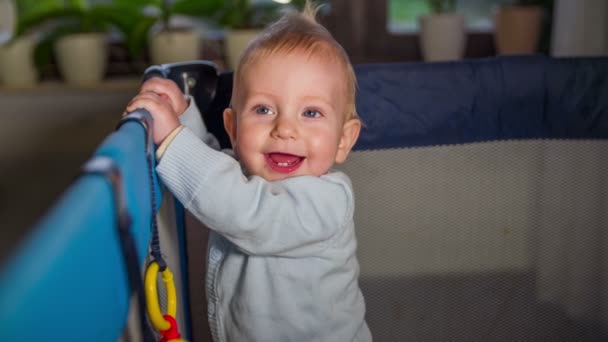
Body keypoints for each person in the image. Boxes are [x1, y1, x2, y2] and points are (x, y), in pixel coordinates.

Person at [126, 2, 371, 341]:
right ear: (234, 127)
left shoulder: (328, 203)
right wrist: (182, 116)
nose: (285, 128)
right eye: (264, 109)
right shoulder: (247, 178)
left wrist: (172, 139)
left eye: (311, 113)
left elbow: (238, 206)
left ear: (344, 140)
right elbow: (217, 169)